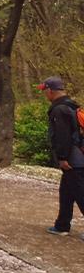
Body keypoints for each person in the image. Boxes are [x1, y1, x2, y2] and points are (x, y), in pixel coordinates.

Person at [39, 77, 84, 238]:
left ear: (50, 90)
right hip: (78, 156)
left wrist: (63, 157)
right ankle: (62, 225)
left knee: (80, 192)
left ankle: (62, 225)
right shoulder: (72, 106)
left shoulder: (59, 110)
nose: (45, 94)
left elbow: (62, 136)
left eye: (45, 91)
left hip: (73, 159)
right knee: (66, 192)